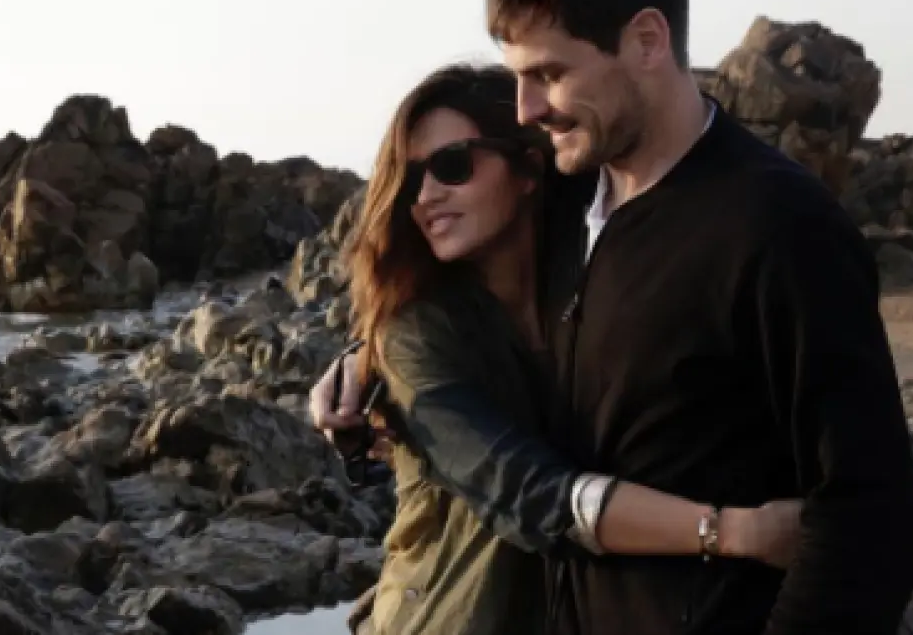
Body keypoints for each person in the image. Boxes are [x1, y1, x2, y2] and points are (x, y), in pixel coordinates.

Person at [315, 0, 913, 633]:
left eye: (550, 74)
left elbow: (866, 513)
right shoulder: (577, 216)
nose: (528, 110)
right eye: (518, 79)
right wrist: (365, 362)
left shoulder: (774, 224)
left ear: (646, 41)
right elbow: (526, 462)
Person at [335, 62, 802, 635]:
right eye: (410, 181)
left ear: (528, 169)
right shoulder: (416, 335)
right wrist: (730, 532)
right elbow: (527, 492)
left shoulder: (592, 281)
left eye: (453, 166)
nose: (427, 196)